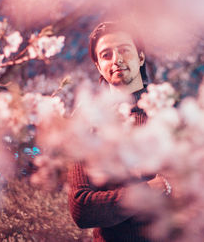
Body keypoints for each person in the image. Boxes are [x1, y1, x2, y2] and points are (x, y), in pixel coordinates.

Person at [68, 22, 171, 242]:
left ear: (141, 57)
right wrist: (151, 189)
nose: (116, 59)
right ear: (98, 66)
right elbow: (81, 209)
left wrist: (112, 202)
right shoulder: (88, 122)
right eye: (106, 55)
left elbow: (189, 191)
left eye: (124, 50)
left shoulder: (168, 112)